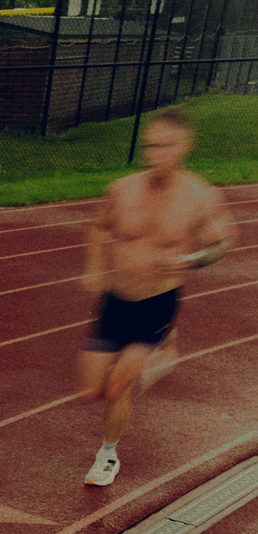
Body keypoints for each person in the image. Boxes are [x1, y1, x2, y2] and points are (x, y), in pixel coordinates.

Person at [78, 105, 236, 486]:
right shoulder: (122, 189)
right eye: (150, 146)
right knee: (90, 389)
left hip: (157, 304)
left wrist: (188, 260)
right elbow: (99, 228)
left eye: (165, 146)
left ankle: (107, 455)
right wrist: (94, 267)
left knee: (118, 387)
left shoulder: (199, 196)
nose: (155, 154)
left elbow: (223, 241)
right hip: (115, 300)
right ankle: (162, 354)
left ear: (184, 146)